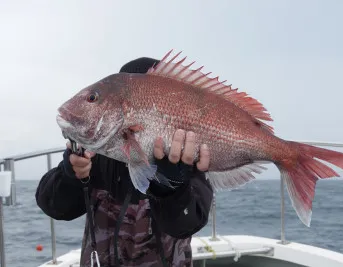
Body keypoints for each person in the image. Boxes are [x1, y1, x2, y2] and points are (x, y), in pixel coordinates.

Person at [35, 57, 214, 267]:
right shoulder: (94, 156)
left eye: (92, 98)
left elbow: (188, 223)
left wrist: (171, 188)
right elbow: (54, 207)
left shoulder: (184, 157)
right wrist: (70, 173)